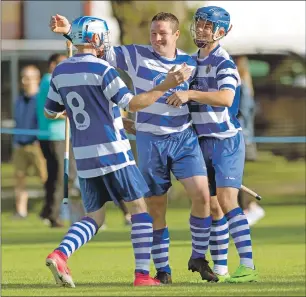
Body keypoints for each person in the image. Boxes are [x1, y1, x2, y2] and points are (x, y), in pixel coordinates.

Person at [50, 12, 218, 284]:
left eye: (163, 33)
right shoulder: (135, 54)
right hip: (150, 139)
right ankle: (162, 270)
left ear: (176, 35)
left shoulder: (191, 62)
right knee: (154, 208)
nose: (157, 38)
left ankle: (198, 256)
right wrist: (71, 32)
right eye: (153, 32)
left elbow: (205, 100)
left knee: (202, 196)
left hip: (183, 137)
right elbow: (95, 51)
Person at [166, 6, 258, 283]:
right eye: (199, 24)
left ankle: (248, 266)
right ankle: (220, 268)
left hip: (225, 141)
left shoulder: (224, 63)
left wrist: (190, 93)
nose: (201, 29)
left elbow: (227, 99)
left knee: (228, 202)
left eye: (207, 26)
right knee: (214, 206)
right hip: (200, 141)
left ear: (220, 31)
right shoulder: (191, 61)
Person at [36, 53, 72, 227]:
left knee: (60, 176)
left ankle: (47, 210)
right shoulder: (50, 80)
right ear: (52, 65)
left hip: (60, 136)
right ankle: (52, 214)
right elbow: (55, 109)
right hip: (54, 136)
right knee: (61, 176)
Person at [12, 65, 47, 219]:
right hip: (20, 144)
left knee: (46, 178)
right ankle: (21, 211)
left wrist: (39, 141)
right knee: (19, 179)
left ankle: (50, 210)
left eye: (28, 77)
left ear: (37, 79)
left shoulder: (41, 99)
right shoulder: (19, 100)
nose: (24, 81)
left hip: (37, 145)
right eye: (23, 77)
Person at [235, 55, 265, 226]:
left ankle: (249, 208)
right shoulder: (246, 86)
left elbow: (241, 114)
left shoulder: (241, 88)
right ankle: (246, 209)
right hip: (243, 137)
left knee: (233, 177)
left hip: (239, 137)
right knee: (234, 176)